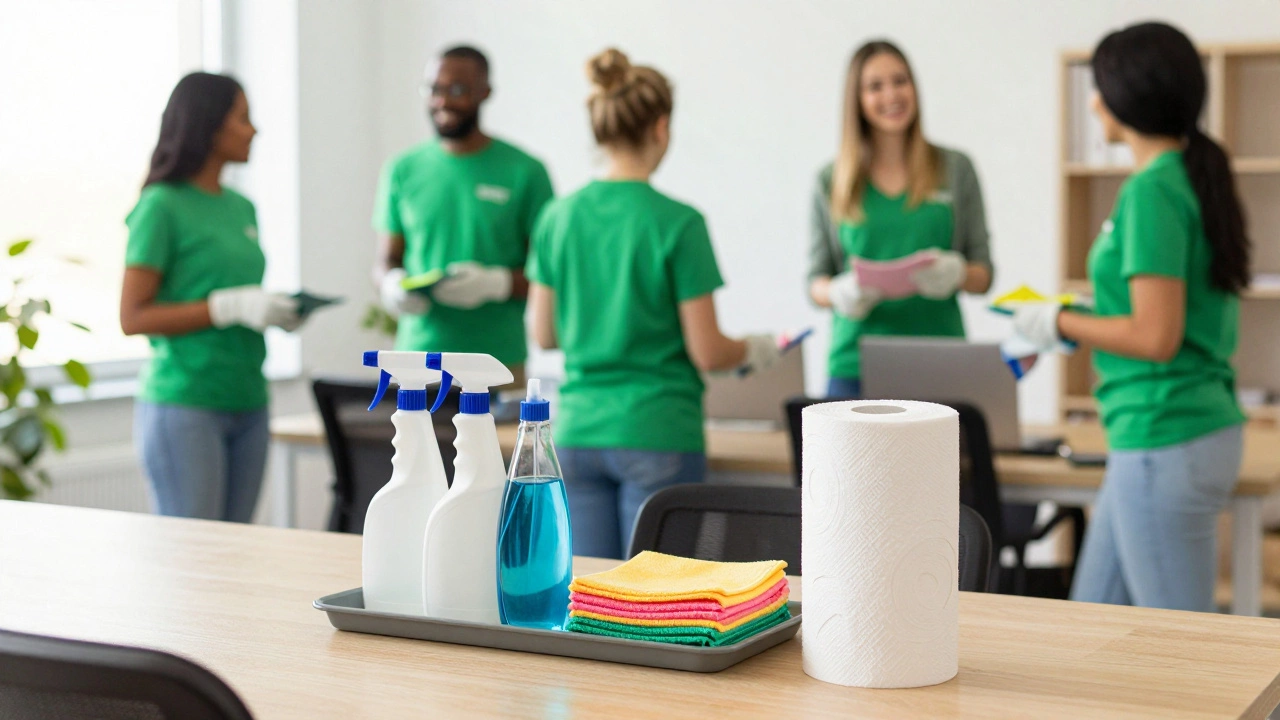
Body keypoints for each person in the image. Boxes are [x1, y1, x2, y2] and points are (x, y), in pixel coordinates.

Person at [1014, 22, 1250, 612]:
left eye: (1098, 88)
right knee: (1094, 627)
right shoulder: (1186, 178)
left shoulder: (1152, 190)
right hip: (1165, 437)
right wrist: (1068, 316)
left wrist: (1060, 324)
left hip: (1165, 434)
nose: (1093, 103)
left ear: (1124, 98)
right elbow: (1158, 313)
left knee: (1180, 653)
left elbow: (1155, 334)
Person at [527, 48, 782, 559]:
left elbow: (544, 334)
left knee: (590, 594)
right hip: (658, 432)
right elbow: (709, 352)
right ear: (661, 127)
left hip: (576, 431)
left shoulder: (558, 217)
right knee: (658, 605)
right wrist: (756, 349)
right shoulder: (678, 223)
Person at [120, 72, 302, 522]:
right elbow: (133, 316)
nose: (253, 130)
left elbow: (234, 291)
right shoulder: (160, 206)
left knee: (235, 555)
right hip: (185, 403)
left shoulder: (241, 207)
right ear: (210, 125)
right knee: (194, 562)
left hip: (248, 400)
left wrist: (272, 310)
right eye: (243, 118)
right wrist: (226, 307)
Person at [808, 40, 994, 398]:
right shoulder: (830, 181)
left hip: (940, 361)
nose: (891, 94)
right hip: (854, 366)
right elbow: (814, 282)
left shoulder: (955, 169)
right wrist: (835, 291)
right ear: (857, 100)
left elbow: (983, 273)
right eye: (875, 86)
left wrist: (957, 273)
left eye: (900, 80)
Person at [373, 45, 553, 381]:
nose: (443, 102)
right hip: (417, 365)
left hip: (499, 366)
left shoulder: (526, 172)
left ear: (485, 92)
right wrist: (391, 285)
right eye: (434, 89)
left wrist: (496, 283)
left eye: (457, 90)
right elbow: (386, 260)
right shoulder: (401, 170)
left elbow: (550, 273)